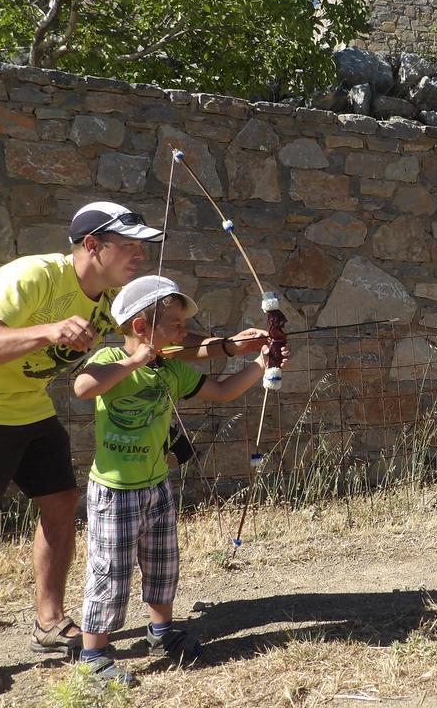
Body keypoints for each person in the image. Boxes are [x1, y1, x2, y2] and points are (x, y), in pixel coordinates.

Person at [0, 202, 265, 695]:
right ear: (92, 245)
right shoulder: (32, 276)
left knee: (61, 504)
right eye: (128, 246)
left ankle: (48, 621)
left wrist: (227, 347)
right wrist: (48, 330)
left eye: (140, 246)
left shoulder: (109, 298)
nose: (138, 255)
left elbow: (162, 339)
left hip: (27, 404)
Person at [73, 275, 281, 685]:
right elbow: (82, 387)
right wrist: (133, 362)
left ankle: (161, 632)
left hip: (156, 486)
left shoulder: (170, 369)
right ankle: (93, 653)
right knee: (109, 572)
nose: (183, 334)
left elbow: (220, 390)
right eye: (174, 325)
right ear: (139, 328)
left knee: (162, 565)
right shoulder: (111, 360)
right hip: (114, 493)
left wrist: (260, 363)